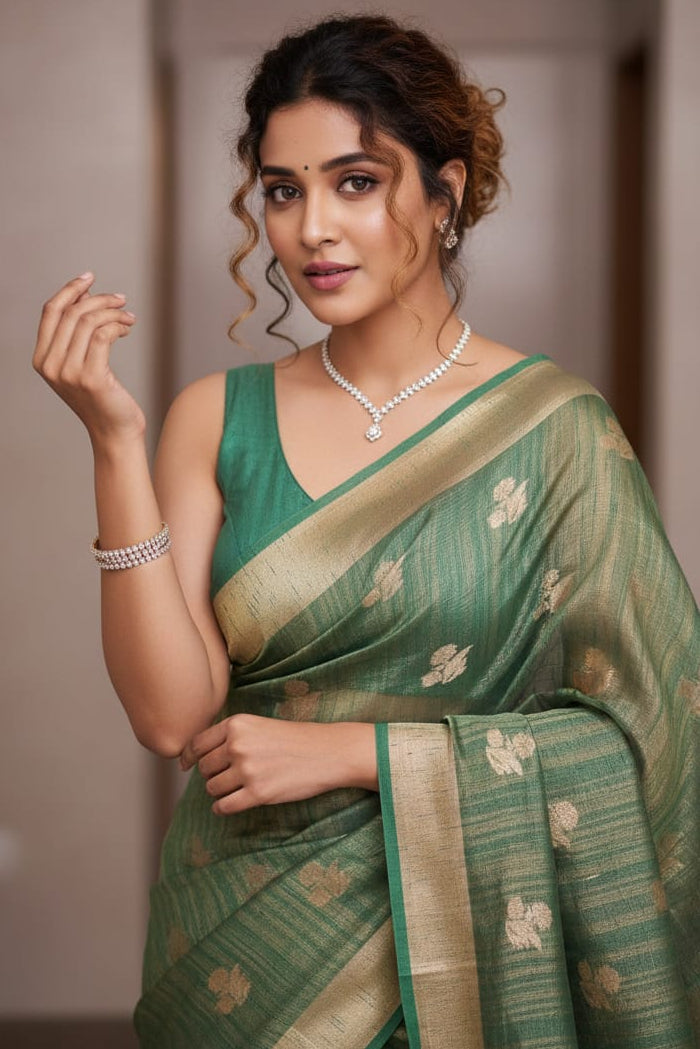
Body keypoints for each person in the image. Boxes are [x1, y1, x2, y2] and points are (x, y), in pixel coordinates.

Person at [33, 14, 699, 1049]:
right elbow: (172, 717)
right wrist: (115, 445)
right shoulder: (218, 413)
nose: (310, 230)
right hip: (249, 946)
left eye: (355, 181)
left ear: (443, 193)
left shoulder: (557, 430)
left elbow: (651, 733)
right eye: (283, 189)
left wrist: (360, 752)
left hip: (473, 949)